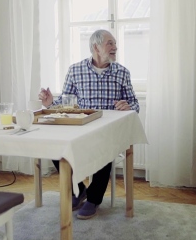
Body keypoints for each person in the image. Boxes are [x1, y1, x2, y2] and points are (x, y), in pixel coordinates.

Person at [38, 29, 139, 219]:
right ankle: (79, 190)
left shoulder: (122, 72)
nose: (115, 47)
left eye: (115, 43)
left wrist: (128, 106)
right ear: (96, 47)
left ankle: (93, 199)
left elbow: (135, 104)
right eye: (110, 43)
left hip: (108, 132)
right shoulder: (75, 70)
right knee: (55, 147)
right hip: (81, 128)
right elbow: (64, 103)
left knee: (106, 149)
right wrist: (50, 102)